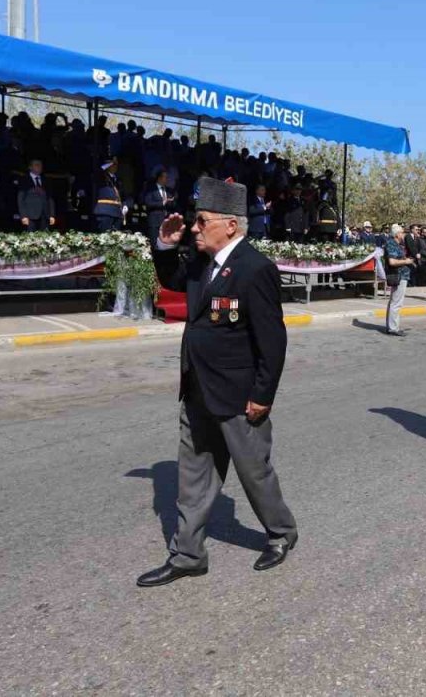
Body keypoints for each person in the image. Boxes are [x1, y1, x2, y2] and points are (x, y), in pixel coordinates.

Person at [137, 177, 297, 587]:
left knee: (253, 473)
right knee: (192, 476)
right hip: (197, 389)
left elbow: (272, 341)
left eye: (200, 220)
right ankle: (188, 554)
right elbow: (172, 279)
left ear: (229, 224)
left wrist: (263, 395)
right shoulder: (200, 261)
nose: (194, 227)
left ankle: (281, 532)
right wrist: (165, 244)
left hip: (239, 397)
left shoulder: (255, 268)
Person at [383, 224, 414, 336]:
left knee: (394, 301)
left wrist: (406, 259)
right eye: (402, 232)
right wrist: (406, 262)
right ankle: (393, 328)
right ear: (397, 234)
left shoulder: (398, 244)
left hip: (402, 275)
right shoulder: (391, 243)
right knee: (396, 302)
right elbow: (392, 262)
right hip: (398, 276)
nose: (403, 234)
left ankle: (391, 326)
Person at [17, 158, 56, 231]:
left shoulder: (46, 180)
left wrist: (52, 215)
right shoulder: (24, 179)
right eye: (37, 165)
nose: (39, 167)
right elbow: (20, 199)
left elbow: (50, 198)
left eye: (41, 165)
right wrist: (23, 216)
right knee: (30, 237)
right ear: (30, 167)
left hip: (45, 214)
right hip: (30, 215)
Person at [141, 168, 176, 239]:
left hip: (166, 222)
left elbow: (173, 204)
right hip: (155, 221)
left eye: (167, 177)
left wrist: (172, 202)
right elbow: (148, 203)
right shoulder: (151, 189)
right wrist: (162, 203)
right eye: (165, 177)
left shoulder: (169, 190)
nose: (167, 179)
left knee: (165, 244)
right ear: (159, 178)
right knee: (154, 242)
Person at [93, 159, 126, 232]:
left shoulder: (118, 180)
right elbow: (98, 170)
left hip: (117, 212)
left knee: (116, 237)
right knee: (104, 236)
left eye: (116, 165)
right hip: (105, 211)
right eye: (113, 165)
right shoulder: (101, 177)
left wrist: (125, 205)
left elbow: (122, 195)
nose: (115, 167)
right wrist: (108, 164)